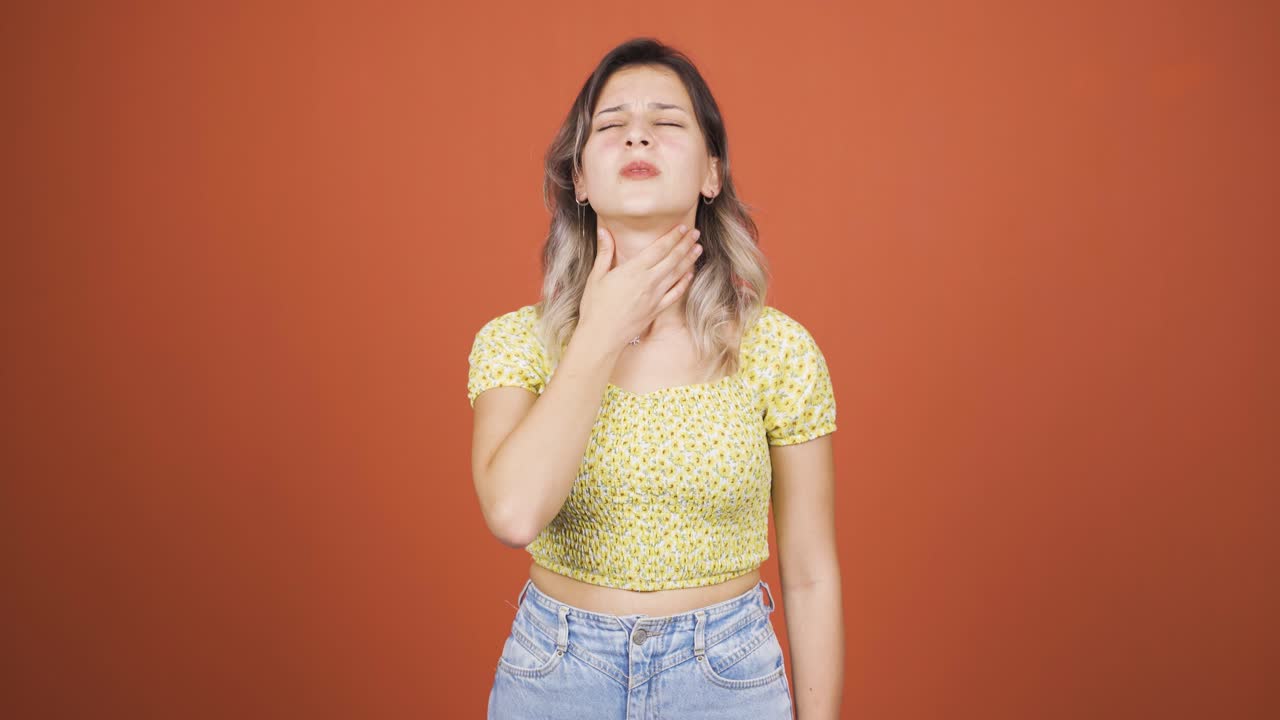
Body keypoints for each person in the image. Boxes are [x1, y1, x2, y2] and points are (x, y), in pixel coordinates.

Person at [468, 37, 843, 719]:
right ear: (579, 179)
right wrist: (601, 330)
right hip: (555, 677)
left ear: (711, 173)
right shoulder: (515, 344)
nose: (637, 133)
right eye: (610, 126)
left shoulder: (778, 352)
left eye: (667, 123)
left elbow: (811, 573)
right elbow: (514, 513)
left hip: (729, 681)